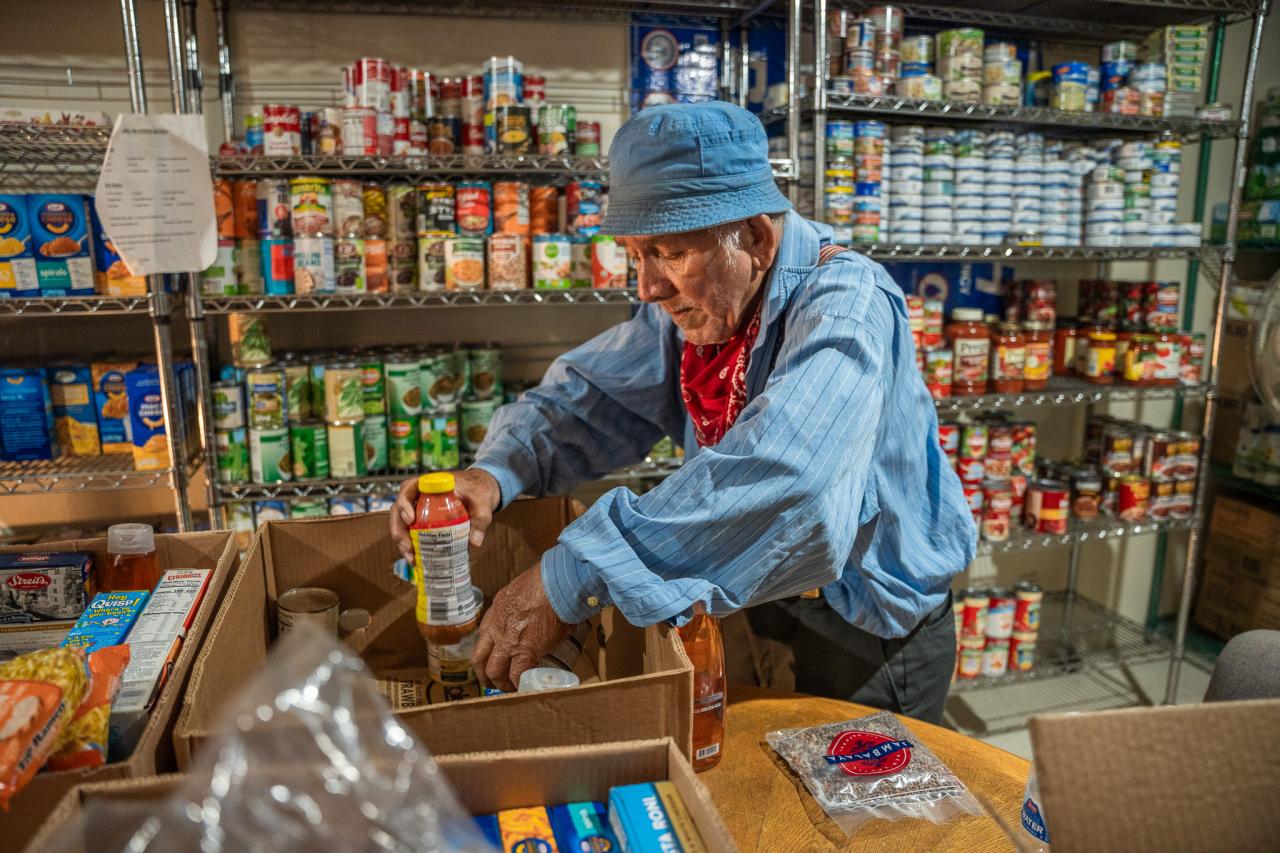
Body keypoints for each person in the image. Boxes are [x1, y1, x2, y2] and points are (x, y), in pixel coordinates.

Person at [391, 101, 974, 723]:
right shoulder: (707, 303)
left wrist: (571, 577)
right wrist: (495, 473)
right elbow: (592, 401)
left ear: (753, 236)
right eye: (635, 254)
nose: (647, 286)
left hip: (869, 626)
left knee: (865, 811)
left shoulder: (846, 302)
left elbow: (786, 476)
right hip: (760, 593)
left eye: (668, 252)